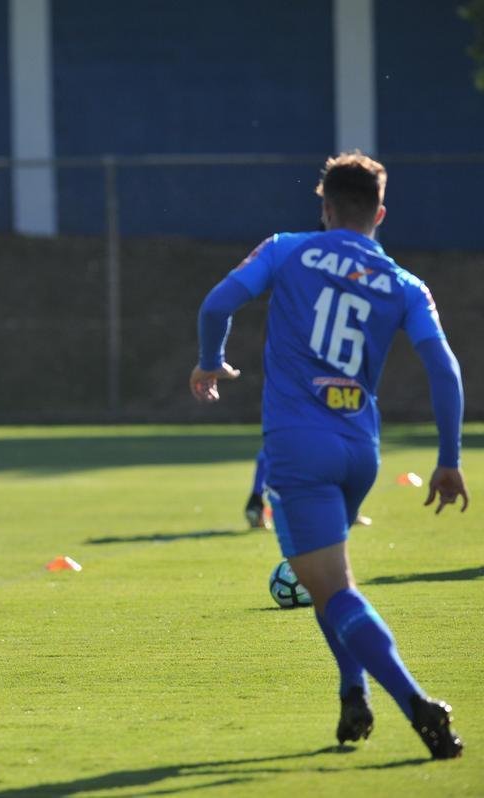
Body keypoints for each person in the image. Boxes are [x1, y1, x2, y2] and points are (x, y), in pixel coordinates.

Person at [190, 152, 468, 759]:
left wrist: (211, 362)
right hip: (359, 448)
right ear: (381, 213)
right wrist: (449, 458)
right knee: (329, 582)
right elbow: (443, 368)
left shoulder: (287, 248)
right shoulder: (402, 282)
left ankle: (418, 704)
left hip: (297, 448)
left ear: (325, 207)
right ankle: (352, 690)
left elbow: (216, 305)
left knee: (335, 590)